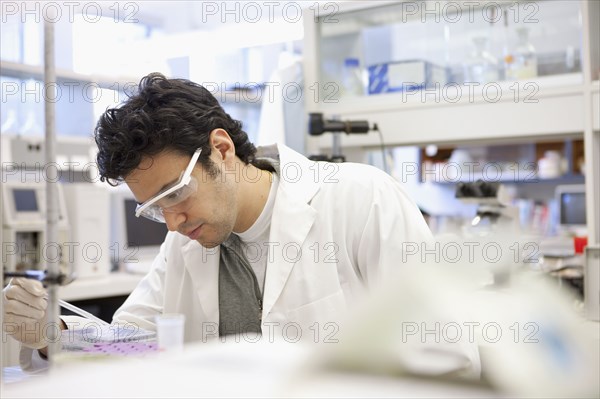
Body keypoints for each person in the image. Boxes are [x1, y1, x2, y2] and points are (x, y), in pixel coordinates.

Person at [3, 73, 478, 376]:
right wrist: (54, 332)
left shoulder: (362, 198)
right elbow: (135, 346)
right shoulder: (187, 240)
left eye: (174, 195)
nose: (171, 223)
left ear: (222, 150)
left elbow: (448, 357)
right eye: (153, 209)